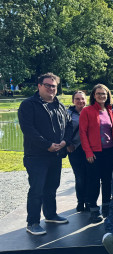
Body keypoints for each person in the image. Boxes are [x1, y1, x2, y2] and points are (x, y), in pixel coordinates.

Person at [18, 73, 72, 235]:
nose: (51, 88)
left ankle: (50, 214)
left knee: (52, 187)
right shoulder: (29, 105)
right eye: (47, 85)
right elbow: (28, 130)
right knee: (37, 189)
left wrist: (64, 142)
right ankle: (32, 222)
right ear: (39, 86)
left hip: (55, 155)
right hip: (36, 156)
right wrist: (47, 145)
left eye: (53, 86)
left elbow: (69, 126)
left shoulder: (60, 106)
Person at [80, 84, 113, 223]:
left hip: (109, 151)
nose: (101, 96)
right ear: (94, 96)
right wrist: (88, 152)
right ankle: (93, 210)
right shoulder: (87, 111)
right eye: (98, 94)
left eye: (104, 94)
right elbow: (83, 133)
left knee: (107, 180)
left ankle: (107, 208)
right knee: (94, 182)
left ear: (107, 95)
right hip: (94, 153)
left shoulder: (110, 111)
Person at [67, 91, 88, 212]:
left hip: (89, 148)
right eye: (77, 99)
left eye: (82, 99)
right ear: (73, 100)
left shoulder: (90, 111)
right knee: (79, 176)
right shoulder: (68, 113)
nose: (80, 101)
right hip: (74, 148)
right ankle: (81, 201)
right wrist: (68, 144)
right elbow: (63, 130)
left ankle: (89, 200)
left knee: (90, 176)